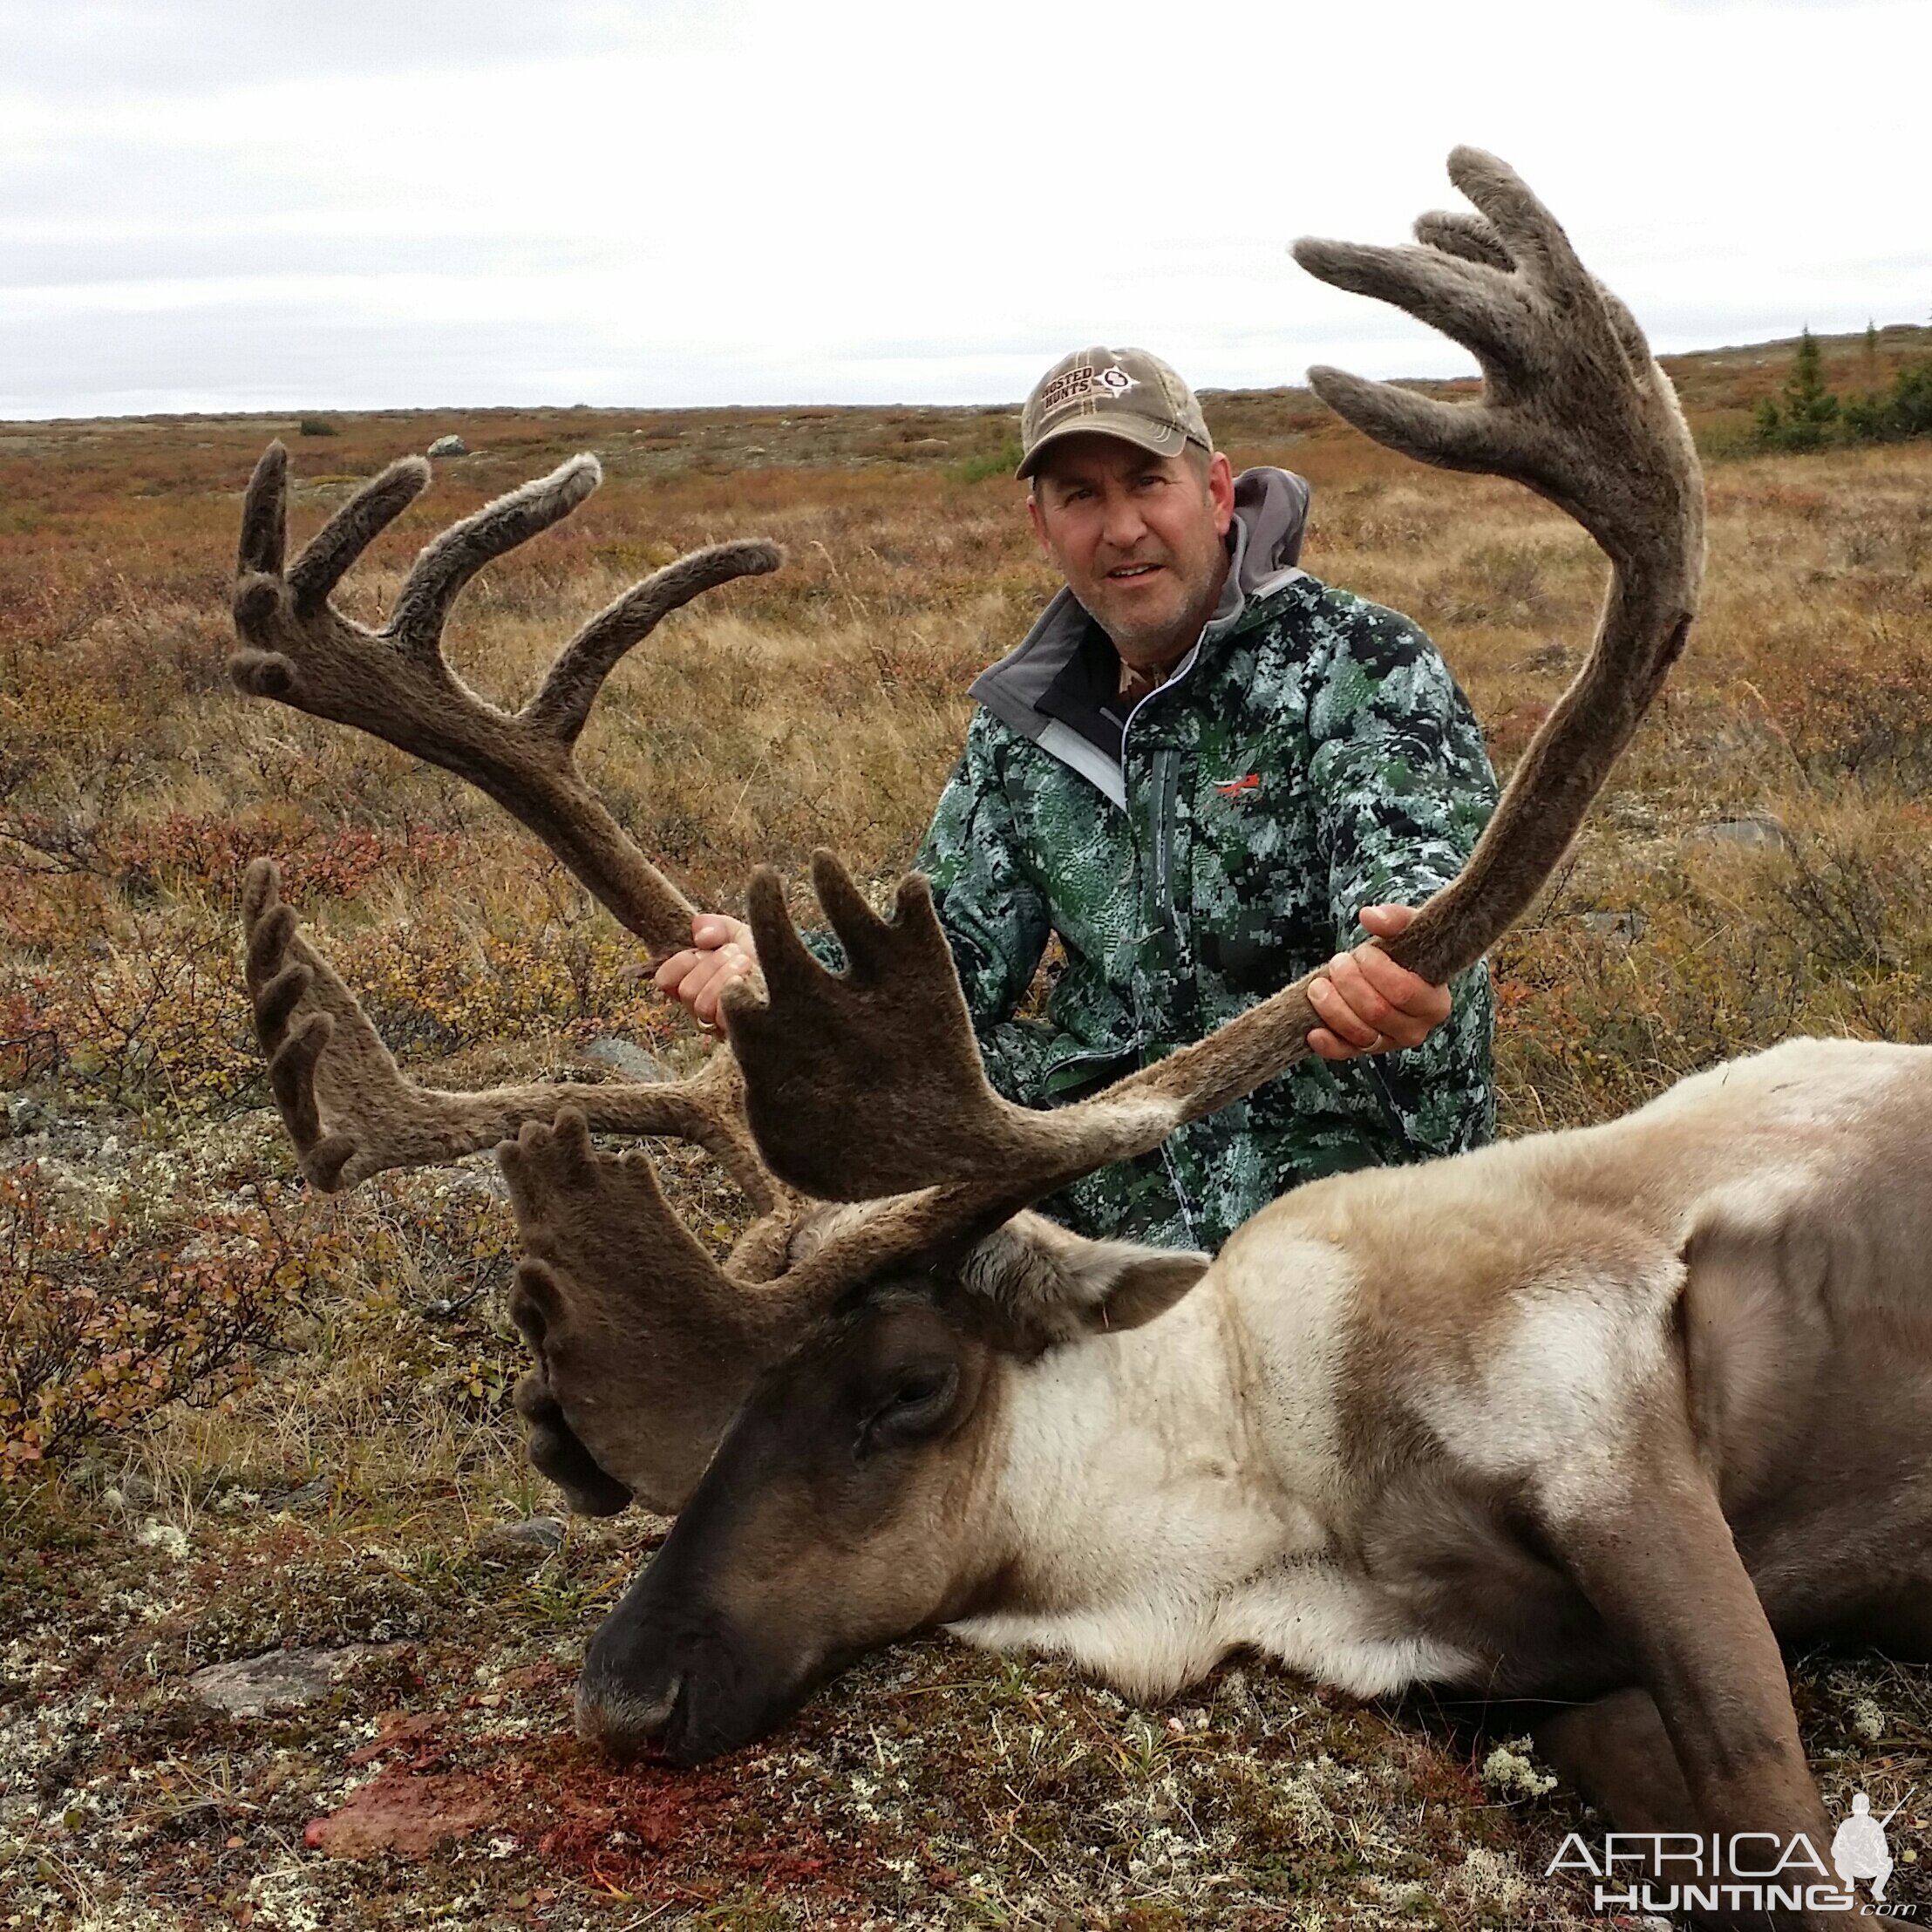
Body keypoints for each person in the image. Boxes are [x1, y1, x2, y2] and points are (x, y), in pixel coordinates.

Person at [657, 347, 1499, 1249]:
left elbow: (1414, 881)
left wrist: (1410, 967)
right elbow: (953, 955)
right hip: (1104, 1201)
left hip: (1340, 1202)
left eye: (1147, 482)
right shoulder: (1025, 727)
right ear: (1041, 523)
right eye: (1080, 496)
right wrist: (787, 979)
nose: (1121, 527)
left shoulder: (1359, 664)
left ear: (1215, 491)